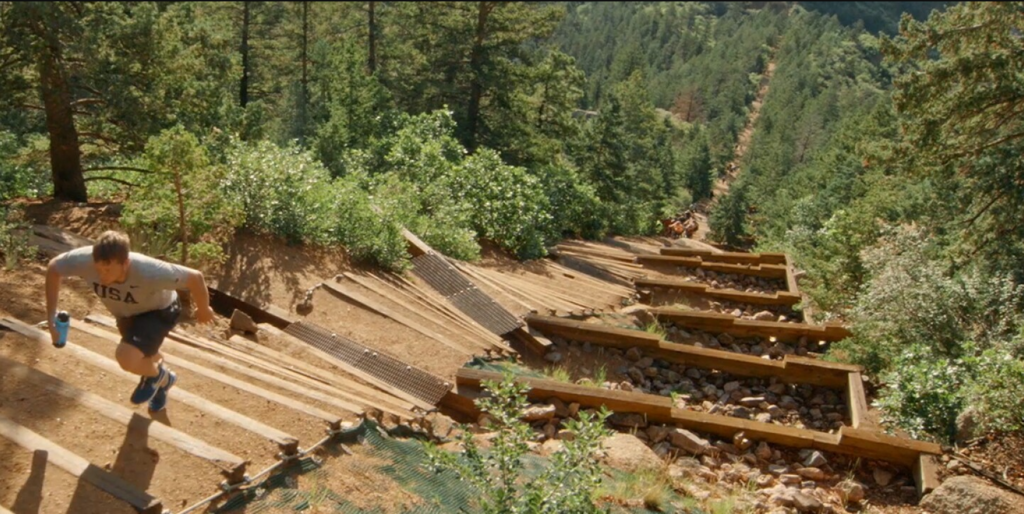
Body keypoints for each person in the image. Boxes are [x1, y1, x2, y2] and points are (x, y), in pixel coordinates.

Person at [45, 230, 215, 412]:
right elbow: (54, 268)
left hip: (159, 311)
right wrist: (51, 316)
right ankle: (161, 384)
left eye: (108, 269)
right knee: (148, 357)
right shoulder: (84, 260)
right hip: (126, 315)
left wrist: (204, 309)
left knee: (126, 357)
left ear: (125, 263)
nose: (102, 276)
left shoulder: (149, 271)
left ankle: (159, 377)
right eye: (98, 268)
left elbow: (195, 277)